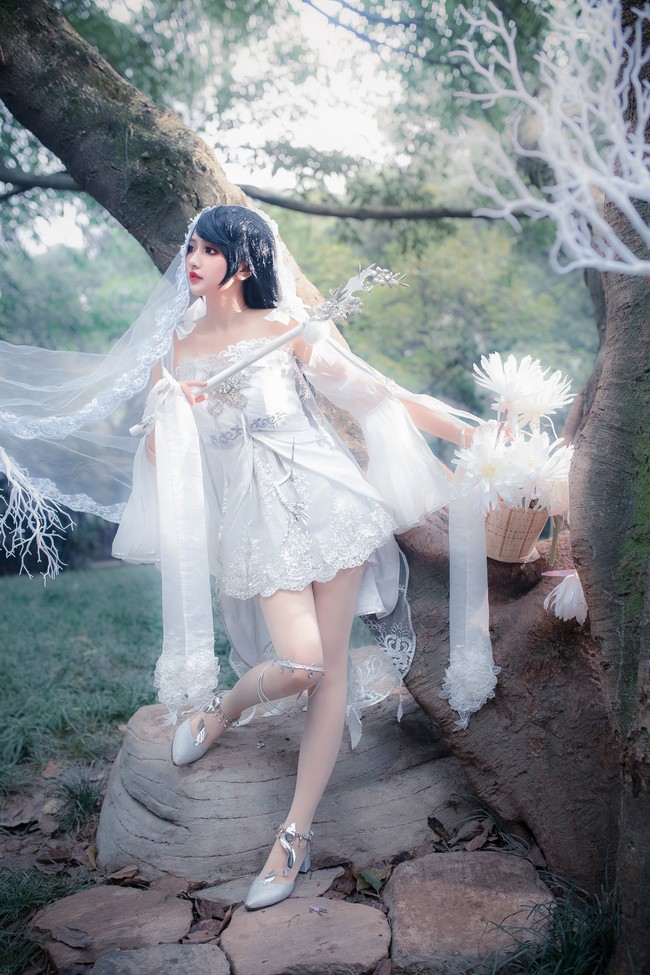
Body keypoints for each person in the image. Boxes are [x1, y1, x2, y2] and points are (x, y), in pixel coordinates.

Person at [0, 204, 497, 911]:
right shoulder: (174, 348)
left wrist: (469, 433)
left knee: (327, 672)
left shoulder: (286, 327)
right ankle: (225, 710)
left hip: (332, 503)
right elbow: (155, 453)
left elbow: (373, 394)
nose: (191, 261)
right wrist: (174, 409)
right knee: (301, 664)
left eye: (207, 250)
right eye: (190, 248)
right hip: (257, 525)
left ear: (240, 263)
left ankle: (294, 833)